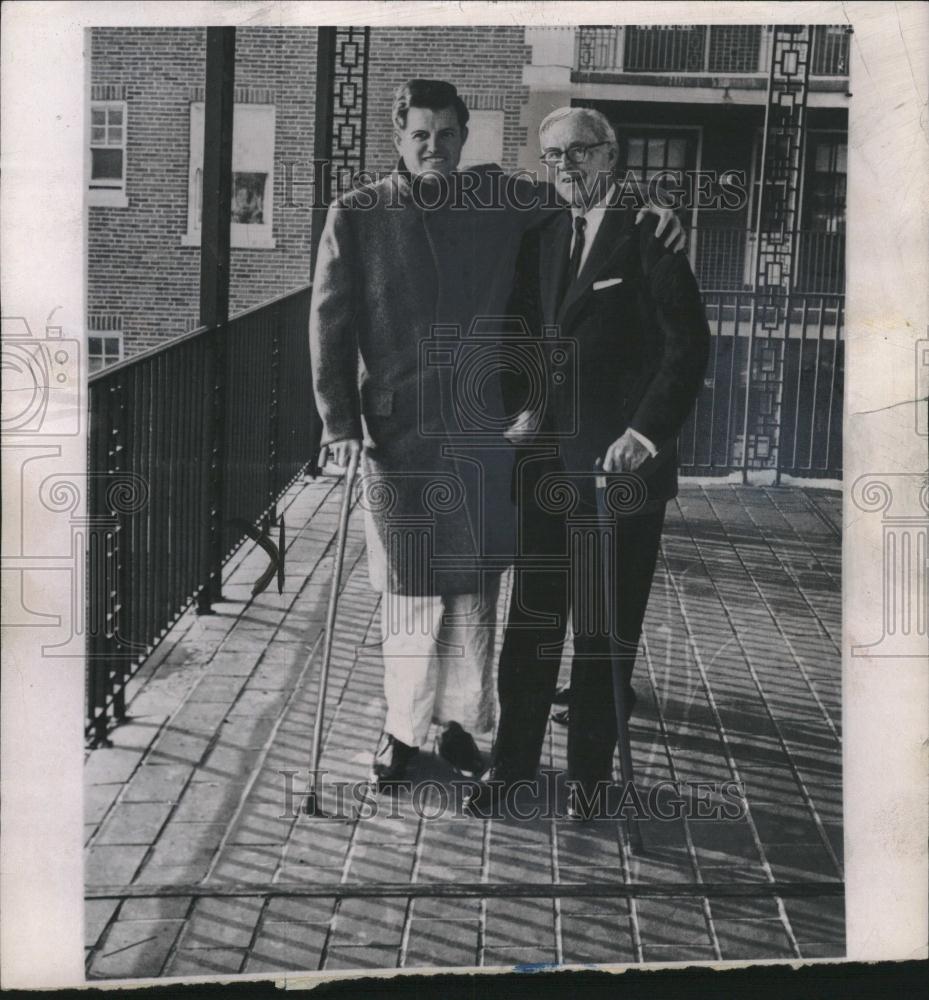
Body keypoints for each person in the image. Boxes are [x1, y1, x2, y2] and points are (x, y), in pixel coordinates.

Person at [310, 82, 686, 792]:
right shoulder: (357, 214)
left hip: (481, 436)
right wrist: (338, 423)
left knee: (476, 592)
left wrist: (651, 212)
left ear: (463, 137)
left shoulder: (498, 199)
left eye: (447, 134)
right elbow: (327, 322)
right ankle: (400, 732)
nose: (434, 147)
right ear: (398, 136)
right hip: (398, 439)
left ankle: (459, 725)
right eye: (420, 134)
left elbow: (583, 195)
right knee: (410, 592)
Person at [465, 106, 710, 820]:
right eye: (550, 156)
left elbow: (686, 347)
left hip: (618, 476)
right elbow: (516, 330)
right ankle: (510, 770)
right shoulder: (542, 233)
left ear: (610, 157)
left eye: (576, 153)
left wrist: (644, 432)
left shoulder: (646, 234)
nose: (562, 168)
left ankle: (590, 783)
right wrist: (518, 404)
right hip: (545, 469)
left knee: (603, 636)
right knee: (532, 627)